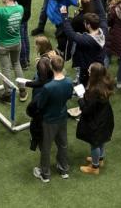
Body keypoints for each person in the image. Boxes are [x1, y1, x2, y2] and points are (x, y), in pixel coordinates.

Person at [32, 54, 72, 183]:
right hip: (62, 117)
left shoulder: (48, 87)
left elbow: (40, 105)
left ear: (51, 67)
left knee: (46, 147)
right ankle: (64, 169)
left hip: (49, 120)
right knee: (63, 144)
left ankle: (45, 174)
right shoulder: (69, 81)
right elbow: (69, 96)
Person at [77, 62, 115, 175]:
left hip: (96, 121)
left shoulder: (94, 91)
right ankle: (100, 159)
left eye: (89, 70)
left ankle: (94, 167)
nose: (88, 71)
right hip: (106, 117)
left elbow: (86, 110)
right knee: (101, 140)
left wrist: (80, 98)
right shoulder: (106, 83)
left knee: (95, 143)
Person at [59, 12, 106, 86]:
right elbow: (102, 14)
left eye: (85, 22)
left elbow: (70, 34)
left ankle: (83, 96)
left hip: (88, 68)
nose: (84, 24)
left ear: (89, 25)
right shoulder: (103, 31)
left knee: (85, 84)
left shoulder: (87, 40)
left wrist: (64, 16)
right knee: (94, 82)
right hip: (98, 65)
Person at [13, 0, 33, 69]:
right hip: (27, 14)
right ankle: (27, 59)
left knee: (20, 39)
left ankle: (23, 62)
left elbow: (12, 1)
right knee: (25, 37)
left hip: (20, 16)